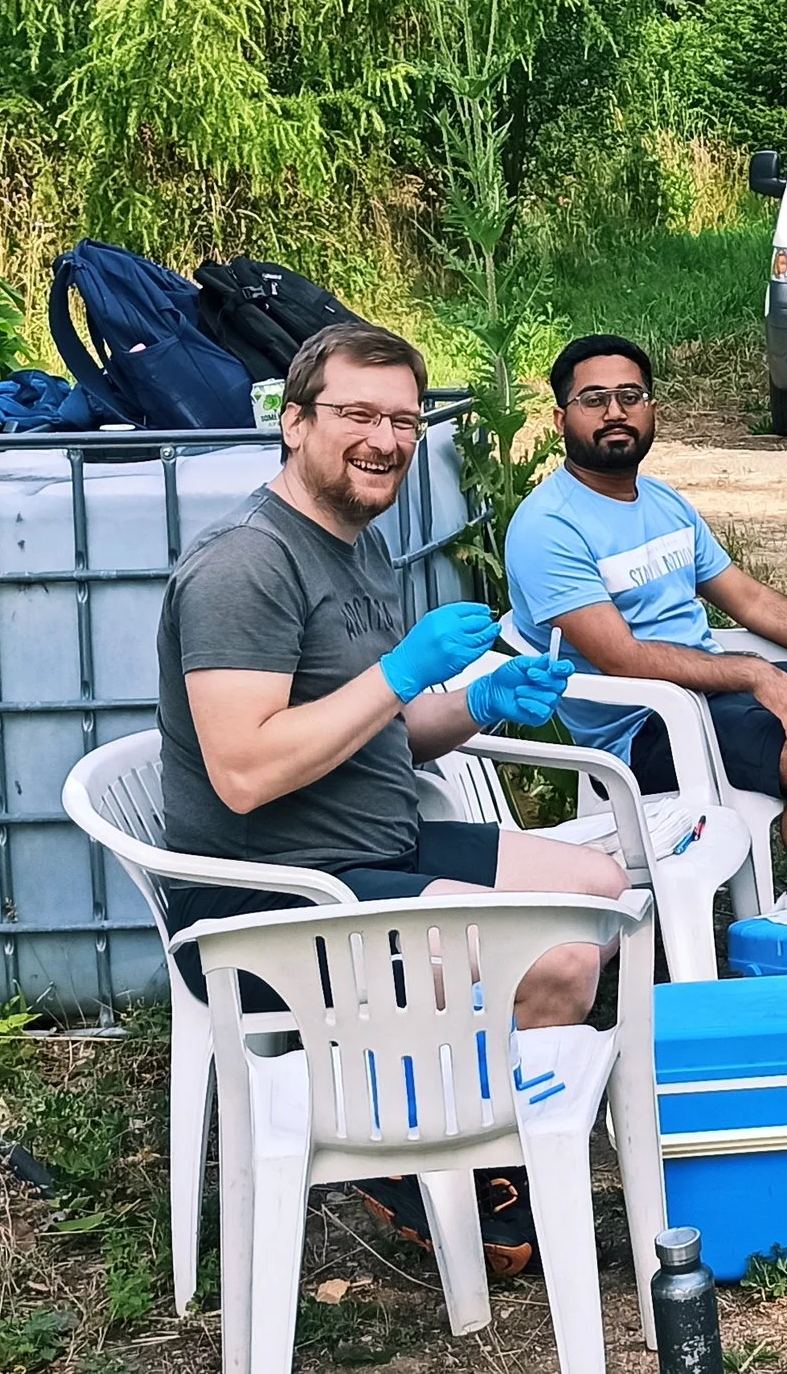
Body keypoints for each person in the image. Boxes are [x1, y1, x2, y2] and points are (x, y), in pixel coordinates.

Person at [157, 320, 606, 1274]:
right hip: (270, 897)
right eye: (358, 413)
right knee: (562, 960)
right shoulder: (245, 564)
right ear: (293, 423)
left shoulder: (355, 545)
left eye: (404, 420)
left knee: (602, 884)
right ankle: (441, 1158)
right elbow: (245, 772)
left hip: (371, 847)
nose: (387, 440)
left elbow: (372, 729)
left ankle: (457, 1114)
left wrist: (478, 704)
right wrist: (402, 672)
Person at [505, 335, 787, 903]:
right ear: (561, 418)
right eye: (594, 399)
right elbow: (623, 660)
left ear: (651, 408)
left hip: (713, 694)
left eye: (630, 396)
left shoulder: (664, 503)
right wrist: (756, 673)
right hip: (644, 728)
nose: (615, 413)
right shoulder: (547, 527)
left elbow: (750, 600)